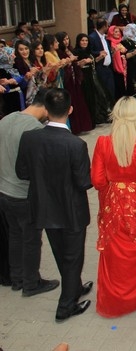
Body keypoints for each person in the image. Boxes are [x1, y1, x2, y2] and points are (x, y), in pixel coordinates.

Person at [15, 89, 93, 322]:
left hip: (45, 208)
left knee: (61, 253)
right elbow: (83, 182)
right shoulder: (76, 145)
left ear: (46, 111)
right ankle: (65, 306)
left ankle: (74, 288)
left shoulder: (30, 138)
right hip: (71, 211)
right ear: (70, 110)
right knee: (73, 257)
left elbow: (22, 172)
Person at [91, 97, 136, 317]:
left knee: (114, 251)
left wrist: (115, 188)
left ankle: (116, 298)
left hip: (114, 203)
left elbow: (97, 180)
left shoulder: (103, 142)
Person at [0, 89, 59, 295]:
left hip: (4, 192)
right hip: (24, 194)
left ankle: (17, 278)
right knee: (32, 239)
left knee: (15, 235)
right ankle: (31, 283)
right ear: (45, 108)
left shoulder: (7, 119)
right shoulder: (35, 129)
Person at [71, 34, 112, 126]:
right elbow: (75, 65)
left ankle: (99, 117)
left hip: (92, 75)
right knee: (88, 97)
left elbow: (92, 62)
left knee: (99, 96)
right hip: (84, 78)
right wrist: (82, 62)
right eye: (82, 40)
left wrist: (99, 58)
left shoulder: (88, 51)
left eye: (86, 40)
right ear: (78, 41)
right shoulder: (76, 52)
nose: (85, 42)